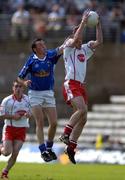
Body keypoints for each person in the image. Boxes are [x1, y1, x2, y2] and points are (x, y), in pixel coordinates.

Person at [59, 10, 103, 164]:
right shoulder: (68, 47)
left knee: (84, 118)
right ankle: (65, 133)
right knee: (81, 110)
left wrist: (98, 25)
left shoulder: (84, 48)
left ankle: (71, 147)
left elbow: (99, 42)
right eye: (76, 36)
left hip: (80, 85)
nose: (79, 38)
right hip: (70, 83)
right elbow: (75, 37)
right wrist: (83, 22)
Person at [17, 38, 63, 162]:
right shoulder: (31, 60)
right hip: (35, 94)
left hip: (48, 93)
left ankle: (49, 147)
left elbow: (63, 47)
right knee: (40, 121)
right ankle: (43, 151)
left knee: (54, 123)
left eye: (44, 44)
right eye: (41, 45)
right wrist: (24, 82)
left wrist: (73, 36)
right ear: (35, 49)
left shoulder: (50, 55)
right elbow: (19, 77)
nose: (44, 46)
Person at [0, 80, 31, 179]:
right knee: (7, 152)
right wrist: (13, 117)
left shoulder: (28, 100)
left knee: (15, 153)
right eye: (16, 87)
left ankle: (5, 172)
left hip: (21, 130)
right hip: (10, 129)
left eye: (20, 87)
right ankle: (1, 149)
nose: (18, 89)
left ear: (23, 88)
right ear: (13, 88)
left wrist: (29, 114)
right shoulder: (7, 100)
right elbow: (1, 115)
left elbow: (32, 113)